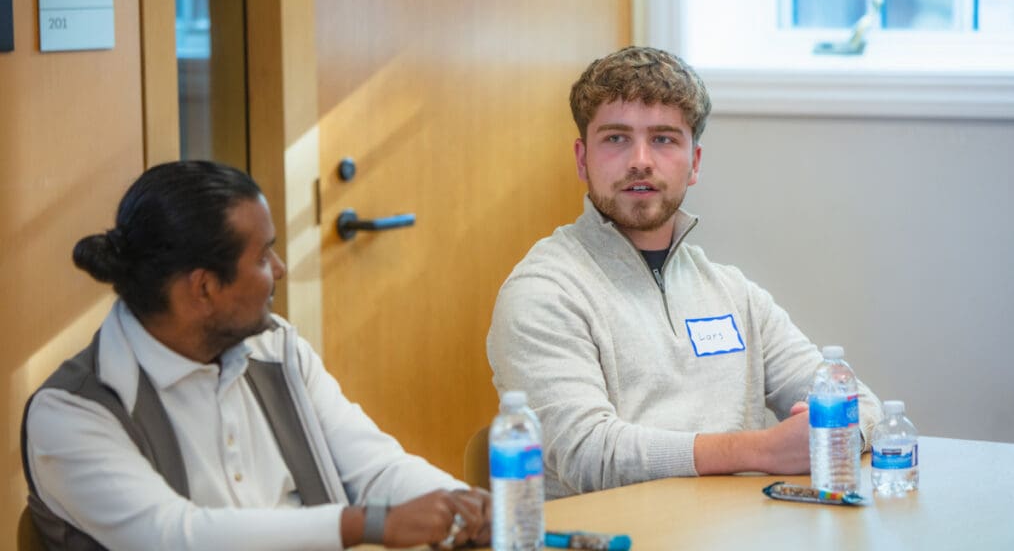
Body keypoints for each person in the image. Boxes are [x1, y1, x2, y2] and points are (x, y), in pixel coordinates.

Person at [22, 161, 490, 550]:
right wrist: (365, 524)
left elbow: (373, 467)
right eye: (264, 257)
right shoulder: (72, 411)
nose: (281, 270)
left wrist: (459, 504)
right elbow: (173, 537)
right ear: (204, 287)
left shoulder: (276, 348)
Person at [486, 46, 882, 499]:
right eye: (616, 138)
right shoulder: (543, 292)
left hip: (741, 534)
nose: (640, 160)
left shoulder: (733, 293)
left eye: (663, 139)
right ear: (582, 159)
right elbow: (587, 454)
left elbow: (859, 405)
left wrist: (836, 432)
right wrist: (762, 450)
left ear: (694, 162)